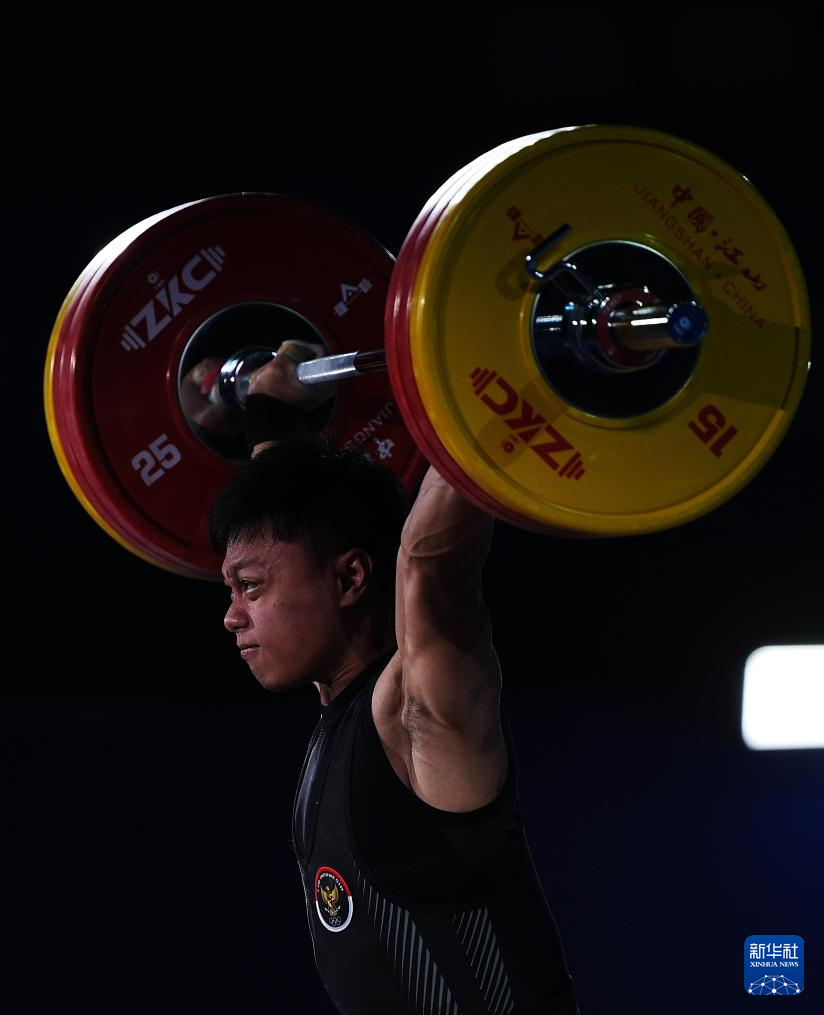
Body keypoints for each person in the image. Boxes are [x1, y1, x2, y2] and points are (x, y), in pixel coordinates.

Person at [209, 342, 580, 1014]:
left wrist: (497, 373)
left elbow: (431, 562)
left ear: (352, 578)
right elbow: (298, 534)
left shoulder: (417, 713)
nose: (232, 616)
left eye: (250, 587)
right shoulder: (343, 709)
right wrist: (269, 418)